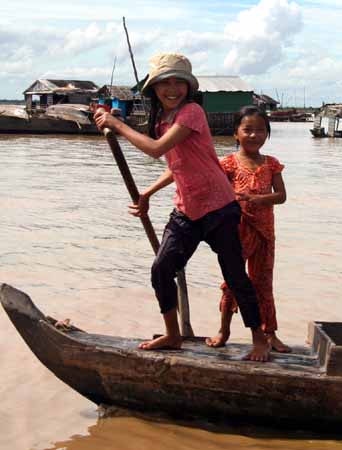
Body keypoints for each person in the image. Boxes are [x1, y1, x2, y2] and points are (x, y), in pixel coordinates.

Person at [93, 53, 270, 362]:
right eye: (164, 83)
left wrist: (116, 123)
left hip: (219, 208)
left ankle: (259, 340)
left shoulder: (192, 112)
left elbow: (155, 150)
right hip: (186, 211)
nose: (172, 89)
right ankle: (173, 335)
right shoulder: (162, 121)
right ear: (154, 89)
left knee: (235, 276)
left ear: (189, 88)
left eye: (179, 83)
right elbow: (176, 165)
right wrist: (147, 193)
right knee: (161, 269)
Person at [205, 106, 290, 353]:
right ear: (236, 134)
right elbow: (215, 193)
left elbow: (282, 196)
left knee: (264, 282)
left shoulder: (271, 164)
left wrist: (257, 200)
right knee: (232, 282)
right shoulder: (228, 163)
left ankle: (270, 333)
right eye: (248, 130)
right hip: (236, 231)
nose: (254, 135)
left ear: (268, 134)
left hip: (264, 232)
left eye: (261, 130)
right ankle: (224, 330)